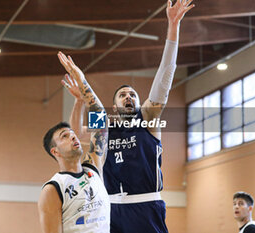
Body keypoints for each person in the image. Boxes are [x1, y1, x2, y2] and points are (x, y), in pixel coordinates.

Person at [64, 0, 194, 232]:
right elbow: (78, 133)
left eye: (133, 94)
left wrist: (173, 27)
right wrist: (78, 101)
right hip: (111, 207)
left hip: (146, 205)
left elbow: (164, 78)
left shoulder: (149, 121)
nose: (128, 97)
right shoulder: (106, 127)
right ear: (114, 106)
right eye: (122, 95)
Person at [38, 52, 110, 233]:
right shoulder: (53, 189)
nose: (73, 137)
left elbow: (101, 123)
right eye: (64, 136)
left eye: (73, 134)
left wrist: (83, 87)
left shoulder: (93, 167)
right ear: (55, 152)